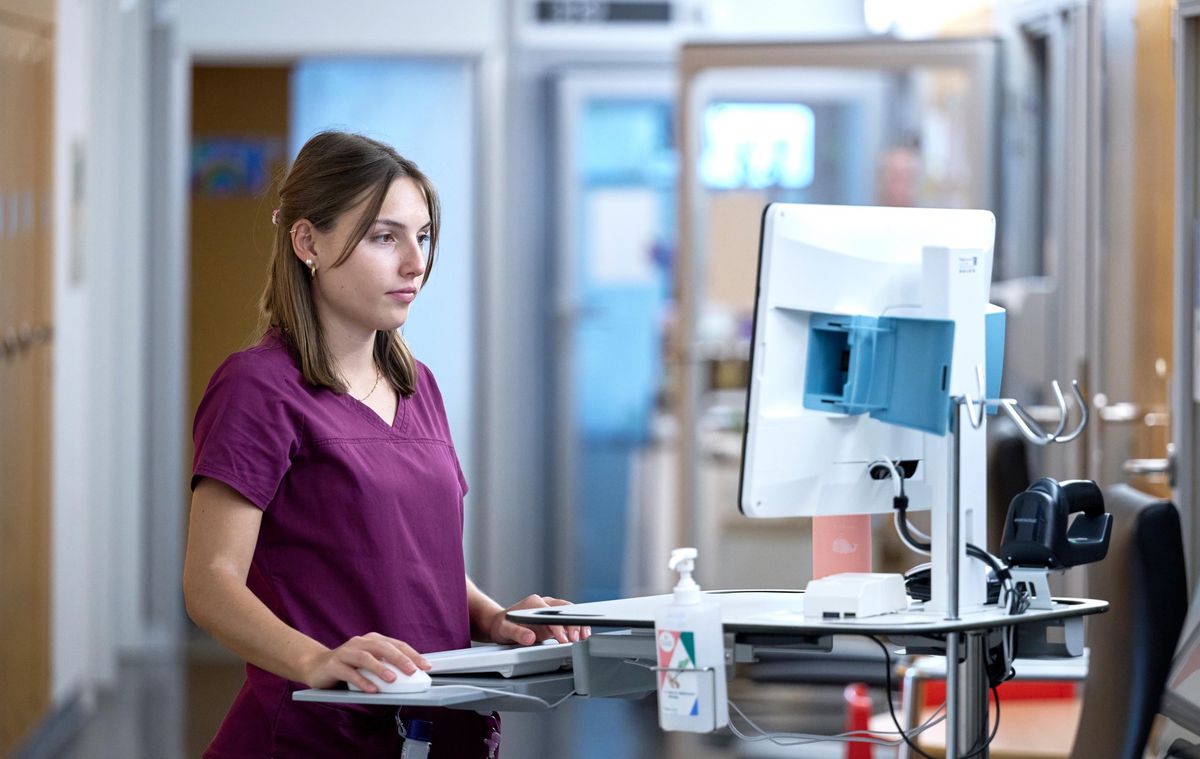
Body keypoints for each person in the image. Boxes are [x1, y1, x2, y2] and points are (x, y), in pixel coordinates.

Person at [183, 130, 588, 758]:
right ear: (307, 242)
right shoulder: (258, 387)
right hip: (314, 737)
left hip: (434, 726)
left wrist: (495, 619)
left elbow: (412, 560)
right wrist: (317, 660)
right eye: (384, 237)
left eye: (422, 236)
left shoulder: (416, 384)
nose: (415, 262)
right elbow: (210, 582)